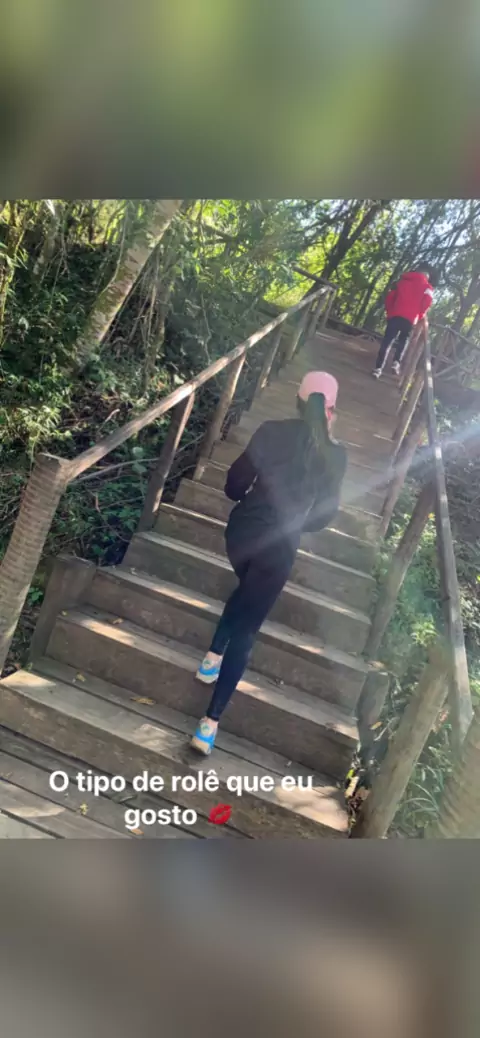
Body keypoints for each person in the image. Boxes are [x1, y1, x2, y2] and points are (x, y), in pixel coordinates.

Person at [190, 371, 347, 756]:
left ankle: (212, 656)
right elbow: (324, 516)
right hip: (280, 547)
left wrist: (252, 502)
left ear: (297, 401)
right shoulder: (336, 454)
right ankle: (208, 725)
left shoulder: (271, 430)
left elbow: (233, 485)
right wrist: (295, 523)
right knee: (248, 627)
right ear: (332, 410)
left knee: (248, 590)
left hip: (242, 534)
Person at [372, 266, 437, 379]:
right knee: (404, 339)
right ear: (426, 278)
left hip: (395, 315)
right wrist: (419, 315)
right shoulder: (428, 287)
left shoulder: (401, 281)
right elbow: (426, 304)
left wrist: (390, 312)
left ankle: (378, 369)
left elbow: (390, 297)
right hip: (410, 319)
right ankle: (396, 362)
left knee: (387, 342)